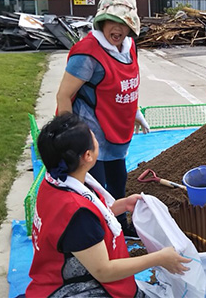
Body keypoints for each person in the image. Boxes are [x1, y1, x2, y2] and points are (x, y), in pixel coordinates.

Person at [25, 113, 190, 297]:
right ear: (87, 155)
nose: (97, 138)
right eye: (93, 136)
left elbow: (89, 222)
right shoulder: (77, 212)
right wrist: (159, 258)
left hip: (55, 273)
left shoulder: (57, 180)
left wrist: (123, 205)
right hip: (73, 287)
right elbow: (103, 271)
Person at [56, 0, 150, 238]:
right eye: (113, 21)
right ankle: (99, 233)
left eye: (125, 22)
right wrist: (74, 137)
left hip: (117, 129)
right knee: (95, 189)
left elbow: (126, 81)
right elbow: (63, 96)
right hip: (91, 130)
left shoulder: (129, 47)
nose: (118, 28)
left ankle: (121, 225)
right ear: (101, 20)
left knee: (118, 182)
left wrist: (135, 110)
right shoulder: (87, 54)